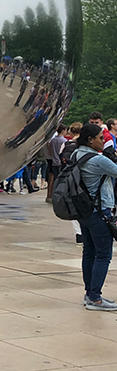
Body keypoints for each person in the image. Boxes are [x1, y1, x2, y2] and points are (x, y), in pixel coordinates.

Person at [72, 123, 117, 311]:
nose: (103, 140)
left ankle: (89, 292)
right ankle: (94, 297)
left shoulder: (77, 155)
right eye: (100, 137)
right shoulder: (98, 160)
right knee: (104, 254)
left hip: (84, 210)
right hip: (100, 211)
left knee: (89, 252)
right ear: (90, 140)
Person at [45, 124, 68, 203]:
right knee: (59, 181)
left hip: (53, 161)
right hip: (60, 162)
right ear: (63, 131)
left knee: (53, 178)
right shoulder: (64, 141)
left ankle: (50, 195)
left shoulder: (53, 140)